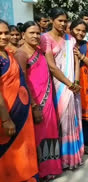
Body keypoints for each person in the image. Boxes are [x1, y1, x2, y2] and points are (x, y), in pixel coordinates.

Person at [14, 21, 62, 180]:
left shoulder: (40, 51)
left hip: (47, 100)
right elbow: (22, 82)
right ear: (23, 35)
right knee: (37, 136)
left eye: (37, 33)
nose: (35, 36)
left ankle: (50, 169)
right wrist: (34, 106)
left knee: (49, 132)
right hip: (35, 103)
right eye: (31, 33)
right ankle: (39, 172)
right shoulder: (21, 54)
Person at [40, 8, 84, 169]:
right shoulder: (44, 39)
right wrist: (69, 83)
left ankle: (71, 157)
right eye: (60, 20)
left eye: (65, 21)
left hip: (72, 84)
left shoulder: (70, 39)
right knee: (58, 121)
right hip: (56, 84)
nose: (63, 23)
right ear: (52, 20)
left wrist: (76, 81)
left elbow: (76, 61)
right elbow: (51, 66)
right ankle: (59, 159)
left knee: (71, 119)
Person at [0, 19, 39, 181]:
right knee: (9, 155)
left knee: (24, 151)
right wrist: (6, 119)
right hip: (6, 114)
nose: (3, 36)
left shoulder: (10, 54)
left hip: (22, 114)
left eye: (5, 33)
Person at [71, 19, 88, 154]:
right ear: (71, 29)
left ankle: (85, 143)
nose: (80, 33)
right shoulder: (65, 43)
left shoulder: (86, 46)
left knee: (84, 113)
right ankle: (71, 146)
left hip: (83, 82)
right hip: (66, 82)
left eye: (83, 31)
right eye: (78, 30)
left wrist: (81, 56)